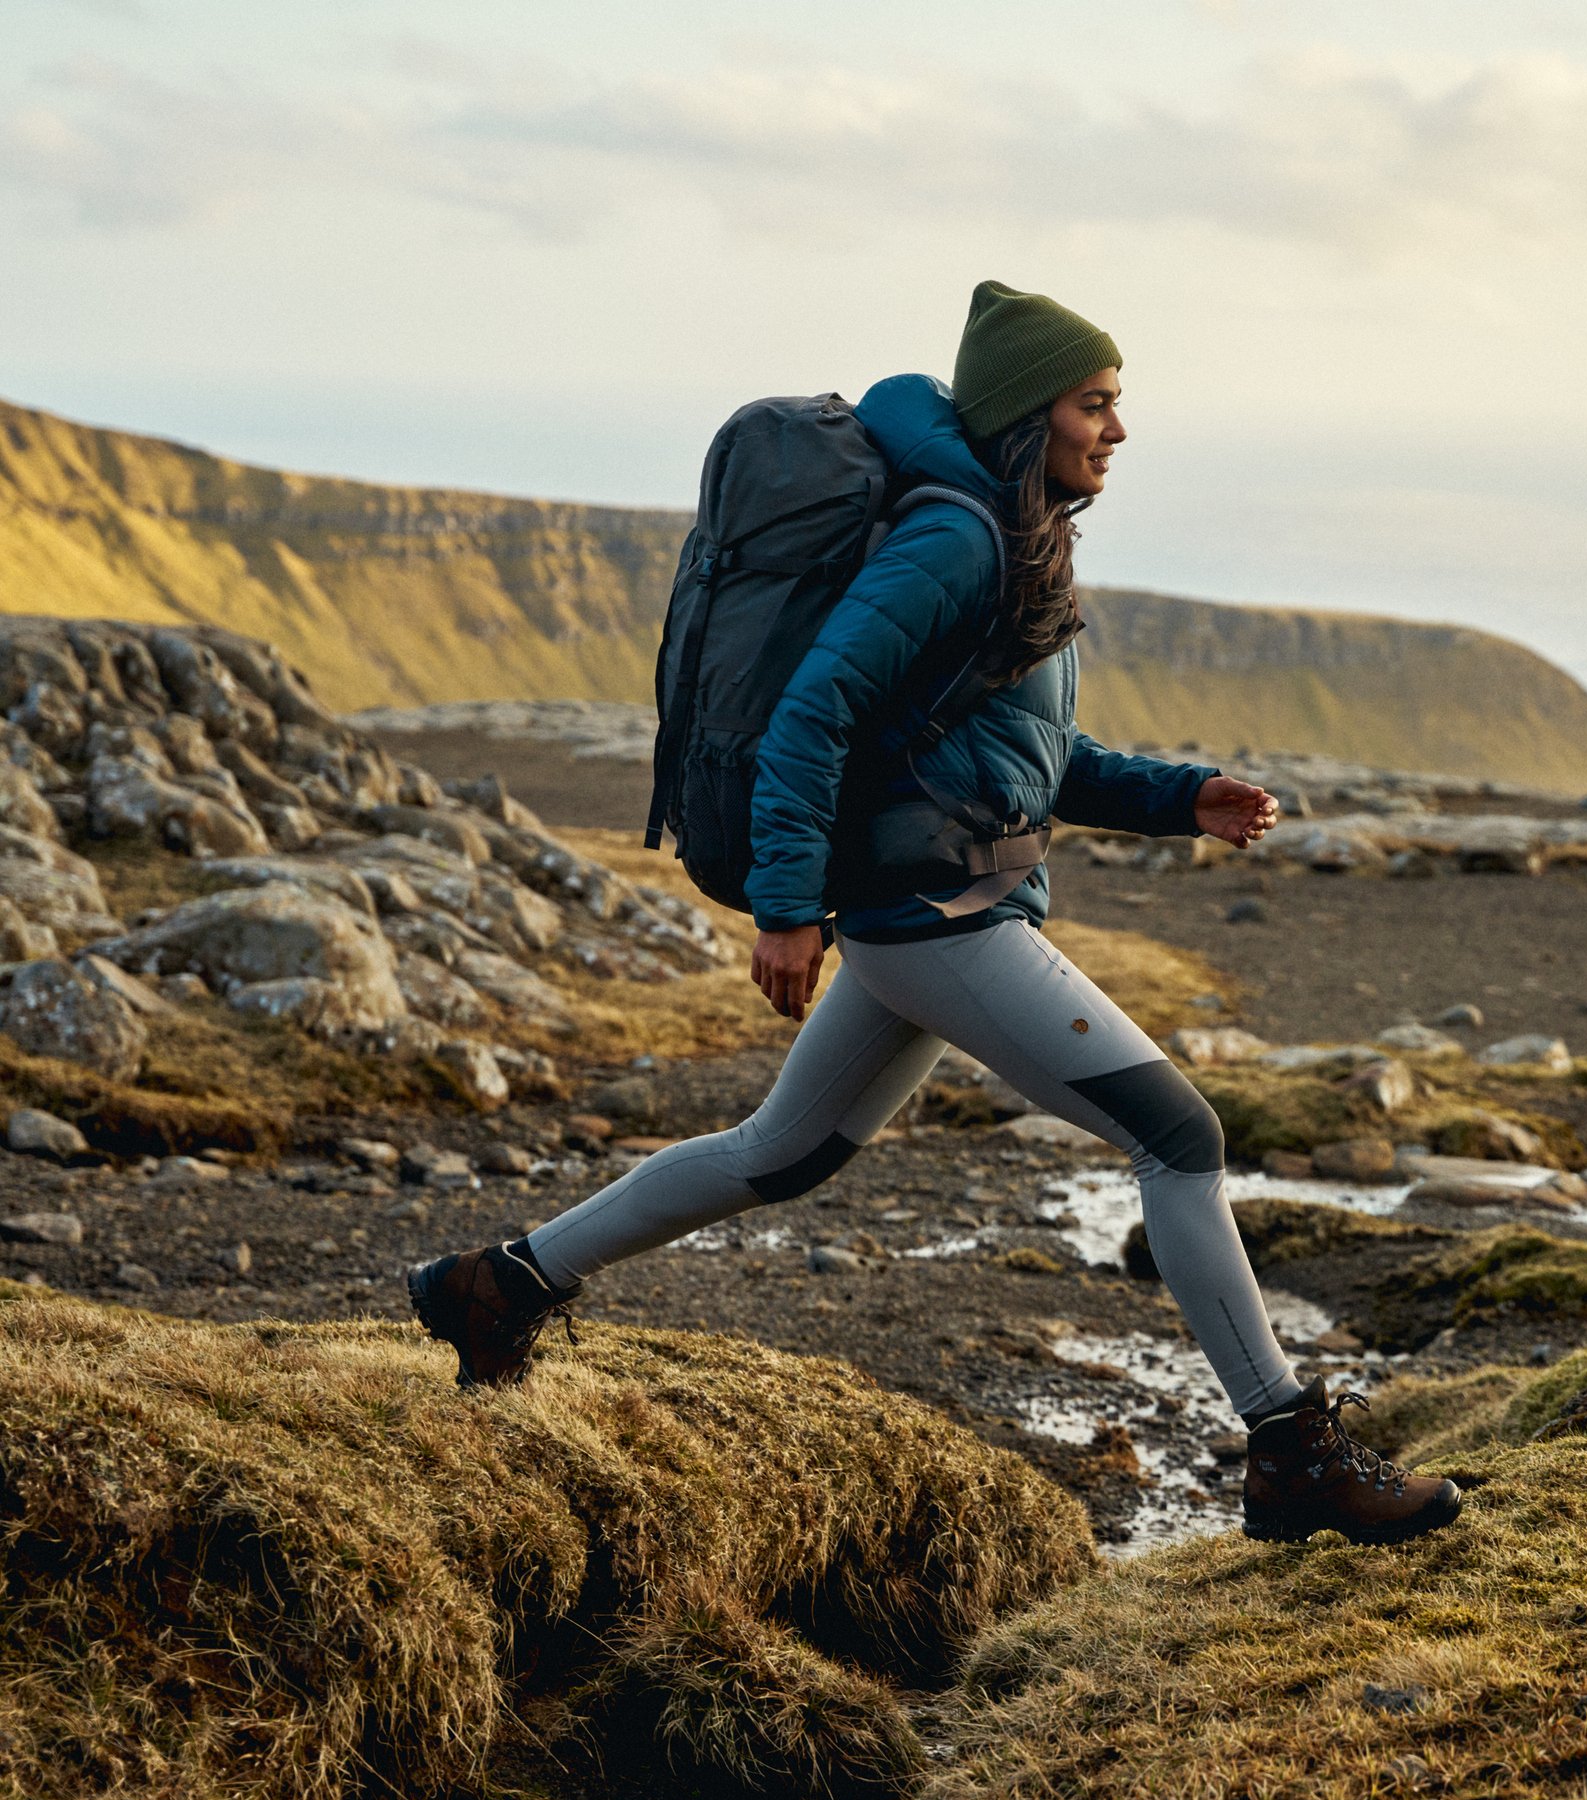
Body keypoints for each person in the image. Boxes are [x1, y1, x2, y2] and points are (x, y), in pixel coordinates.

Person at [408, 281, 1461, 1547]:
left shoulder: (1016, 541)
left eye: (1118, 403)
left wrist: (1183, 797)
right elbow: (813, 712)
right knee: (1178, 1137)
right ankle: (1288, 1449)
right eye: (1094, 403)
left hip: (939, 903)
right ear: (1030, 413)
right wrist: (786, 906)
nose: (1116, 429)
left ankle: (497, 1284)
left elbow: (1028, 757)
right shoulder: (954, 543)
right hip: (937, 914)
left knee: (775, 1155)